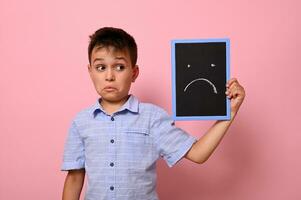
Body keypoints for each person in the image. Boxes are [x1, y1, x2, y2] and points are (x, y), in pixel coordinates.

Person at [61, 27, 245, 200]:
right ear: (90, 71)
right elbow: (75, 177)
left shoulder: (153, 118)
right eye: (101, 67)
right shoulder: (81, 122)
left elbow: (198, 154)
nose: (109, 76)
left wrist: (230, 111)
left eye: (119, 67)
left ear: (134, 72)